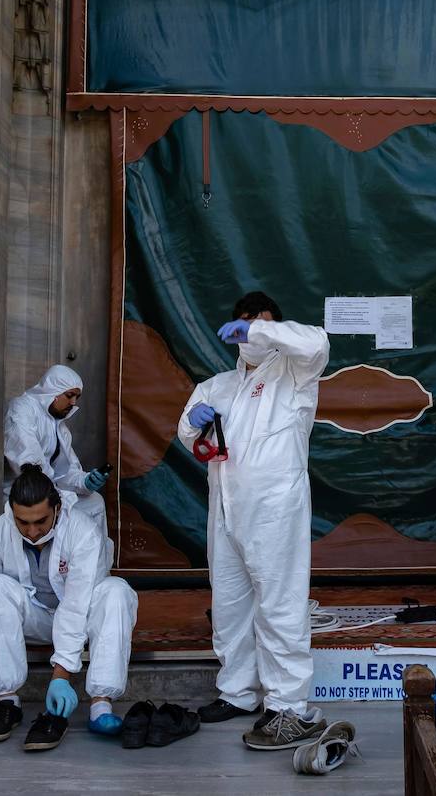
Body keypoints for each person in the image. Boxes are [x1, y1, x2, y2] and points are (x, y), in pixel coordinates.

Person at [177, 291, 332, 751]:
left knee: (280, 605)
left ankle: (289, 707)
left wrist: (260, 328)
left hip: (274, 510)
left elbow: (318, 342)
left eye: (261, 326)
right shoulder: (216, 386)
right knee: (230, 605)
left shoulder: (295, 372)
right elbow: (187, 434)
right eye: (243, 325)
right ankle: (238, 693)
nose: (251, 334)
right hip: (224, 507)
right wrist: (192, 422)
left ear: (273, 329)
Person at [0, 463, 138, 749]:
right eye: (23, 522)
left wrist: (61, 676)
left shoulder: (82, 532)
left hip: (81, 622)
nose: (31, 531)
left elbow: (77, 605)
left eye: (40, 521)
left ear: (57, 509)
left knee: (116, 592)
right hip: (34, 619)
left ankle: (101, 705)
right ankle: (7, 702)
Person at [2, 364, 109, 526]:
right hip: (24, 492)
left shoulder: (60, 427)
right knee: (67, 510)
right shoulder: (23, 408)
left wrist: (84, 481)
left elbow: (64, 472)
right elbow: (29, 460)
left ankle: (93, 552)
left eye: (77, 397)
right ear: (53, 391)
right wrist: (55, 493)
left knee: (94, 501)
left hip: (50, 489)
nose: (73, 402)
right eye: (70, 395)